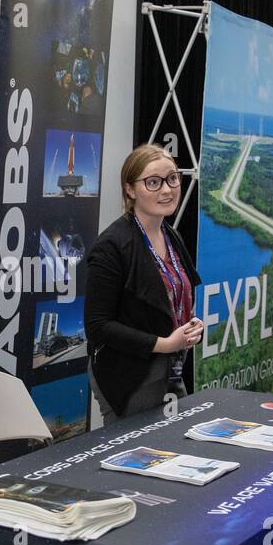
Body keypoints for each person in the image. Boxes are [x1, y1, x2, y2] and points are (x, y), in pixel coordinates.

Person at [85, 144, 202, 421]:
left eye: (172, 178)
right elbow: (98, 326)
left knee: (169, 450)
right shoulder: (112, 246)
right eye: (153, 182)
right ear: (130, 189)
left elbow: (169, 297)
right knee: (135, 456)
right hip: (128, 375)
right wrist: (165, 343)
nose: (166, 189)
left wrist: (188, 324)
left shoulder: (171, 236)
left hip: (170, 367)